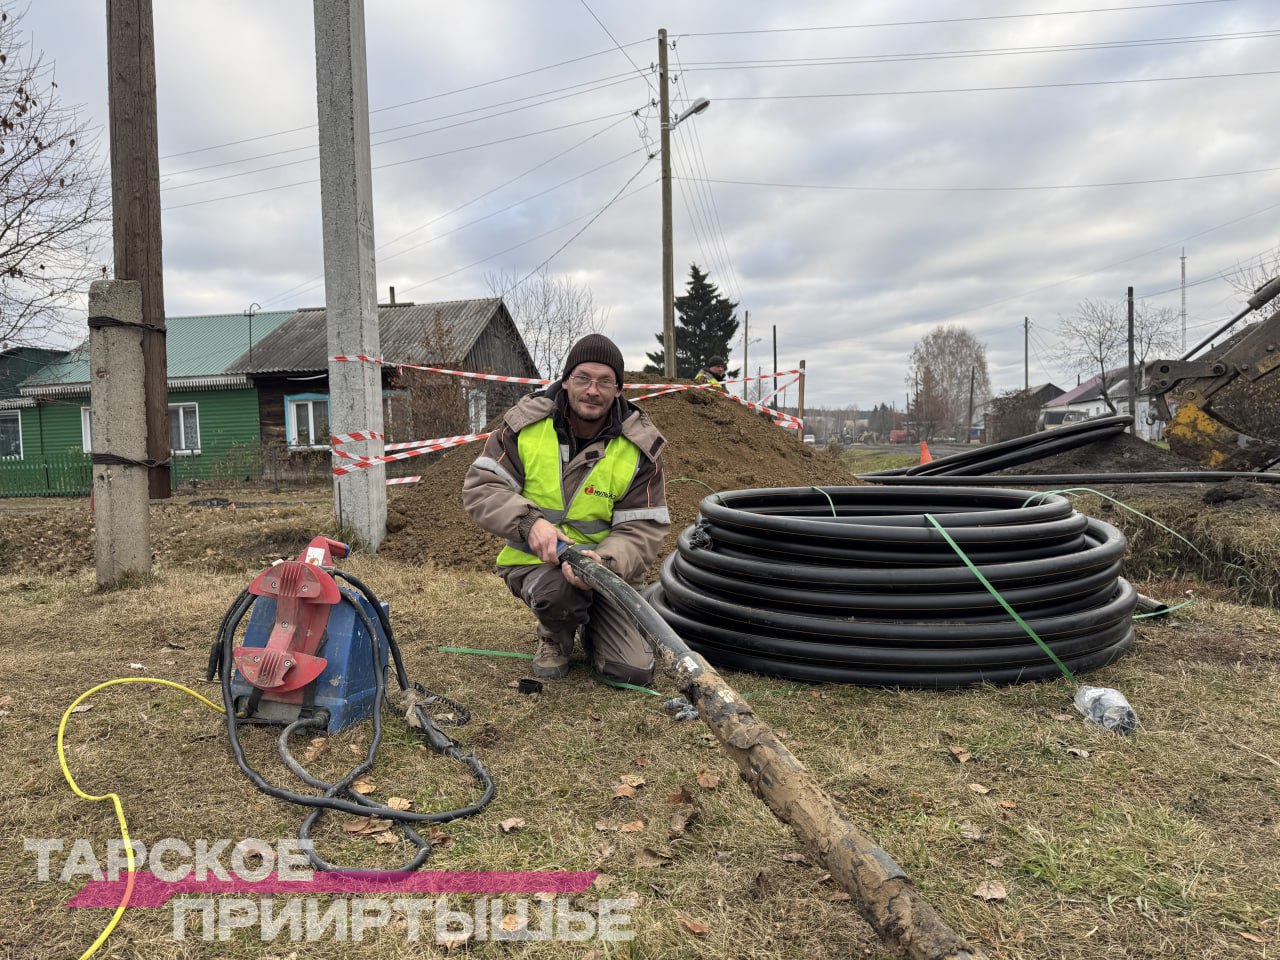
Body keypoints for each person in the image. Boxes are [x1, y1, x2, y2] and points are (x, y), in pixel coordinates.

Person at [461, 333, 670, 684]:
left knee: (630, 672)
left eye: (605, 381)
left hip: (606, 572)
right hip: (537, 565)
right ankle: (554, 634)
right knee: (560, 594)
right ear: (566, 380)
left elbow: (643, 527)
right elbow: (484, 488)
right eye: (583, 378)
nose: (592, 390)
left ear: (619, 389)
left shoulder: (640, 447)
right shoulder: (523, 425)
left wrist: (604, 560)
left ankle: (595, 627)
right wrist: (530, 523)